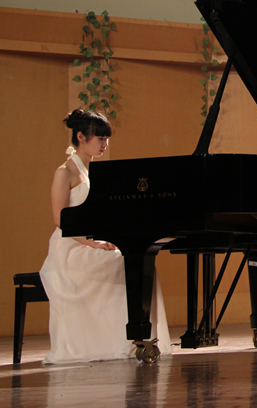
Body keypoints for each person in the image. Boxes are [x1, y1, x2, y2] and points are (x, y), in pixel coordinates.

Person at [39, 109, 171, 363]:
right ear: (81, 137)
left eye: (106, 138)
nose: (105, 143)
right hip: (69, 247)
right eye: (100, 138)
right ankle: (115, 341)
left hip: (89, 242)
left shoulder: (92, 171)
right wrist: (93, 243)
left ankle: (135, 336)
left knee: (138, 261)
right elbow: (60, 220)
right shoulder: (64, 172)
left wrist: (106, 240)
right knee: (121, 263)